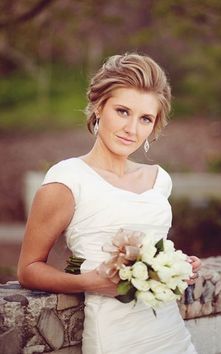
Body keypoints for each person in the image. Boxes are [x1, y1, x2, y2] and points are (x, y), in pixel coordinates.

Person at [18, 53, 201, 354]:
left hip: (170, 332)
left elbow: (150, 248)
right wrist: (89, 282)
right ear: (99, 107)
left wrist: (177, 266)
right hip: (116, 338)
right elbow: (28, 269)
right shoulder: (67, 180)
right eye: (122, 111)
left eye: (145, 118)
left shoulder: (159, 180)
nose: (132, 129)